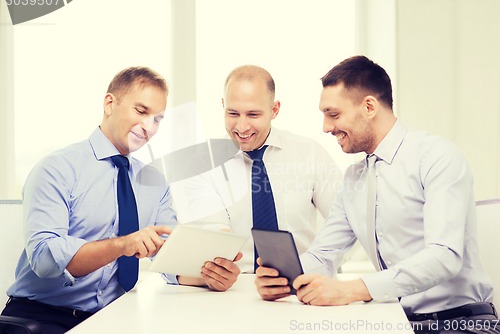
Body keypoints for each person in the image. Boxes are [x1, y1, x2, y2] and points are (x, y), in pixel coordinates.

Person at [255, 56, 499, 333]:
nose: (326, 127)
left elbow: (444, 256)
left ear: (369, 106)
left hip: (461, 323)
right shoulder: (354, 179)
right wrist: (286, 279)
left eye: (333, 114)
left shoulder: (436, 157)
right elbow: (324, 255)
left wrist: (353, 290)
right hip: (395, 321)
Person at [0, 67, 238, 334]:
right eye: (141, 111)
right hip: (44, 318)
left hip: (112, 319)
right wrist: (122, 245)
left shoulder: (154, 181)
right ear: (110, 104)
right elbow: (45, 259)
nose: (149, 127)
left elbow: (169, 256)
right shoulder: (57, 168)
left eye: (158, 119)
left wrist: (209, 275)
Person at [173, 65, 342, 279]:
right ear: (223, 105)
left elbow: (345, 225)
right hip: (233, 290)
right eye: (233, 113)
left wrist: (318, 268)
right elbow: (213, 233)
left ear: (275, 109)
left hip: (302, 284)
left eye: (253, 114)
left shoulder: (310, 154)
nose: (242, 127)